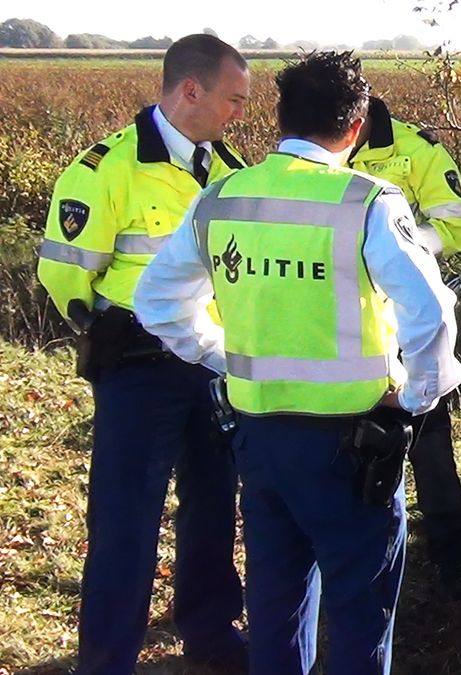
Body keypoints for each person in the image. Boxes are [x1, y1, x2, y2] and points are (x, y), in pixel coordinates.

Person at [134, 50, 461, 674]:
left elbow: (156, 302)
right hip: (350, 445)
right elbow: (432, 314)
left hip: (258, 440)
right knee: (361, 614)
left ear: (281, 118)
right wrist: (418, 396)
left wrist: (221, 356)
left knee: (277, 609)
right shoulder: (366, 201)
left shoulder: (224, 197)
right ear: (357, 123)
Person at [36, 34, 250, 674]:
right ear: (192, 90)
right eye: (233, 100)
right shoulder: (106, 170)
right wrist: (104, 331)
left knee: (214, 507)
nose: (241, 113)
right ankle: (106, 660)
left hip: (212, 367)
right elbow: (65, 274)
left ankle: (212, 636)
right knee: (126, 519)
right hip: (137, 371)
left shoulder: (232, 173)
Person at [349, 94, 461, 598]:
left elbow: (456, 226)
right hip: (343, 321)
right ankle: (365, 555)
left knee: (430, 443)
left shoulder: (416, 149)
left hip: (406, 313)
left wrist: (395, 247)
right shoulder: (317, 146)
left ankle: (451, 559)